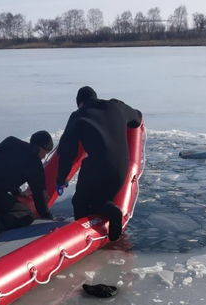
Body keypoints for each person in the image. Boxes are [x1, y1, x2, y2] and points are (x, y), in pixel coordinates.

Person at [56, 86, 142, 241]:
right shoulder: (117, 106)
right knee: (100, 198)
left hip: (97, 168)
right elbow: (137, 118)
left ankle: (84, 238)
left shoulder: (79, 115)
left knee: (79, 201)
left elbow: (67, 151)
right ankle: (113, 232)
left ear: (79, 103)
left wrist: (61, 178)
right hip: (122, 167)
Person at [0, 131, 54, 239]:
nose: (43, 157)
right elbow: (39, 194)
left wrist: (17, 192)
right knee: (27, 215)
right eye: (45, 153)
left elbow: (4, 169)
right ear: (41, 148)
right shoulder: (34, 164)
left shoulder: (10, 142)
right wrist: (47, 216)